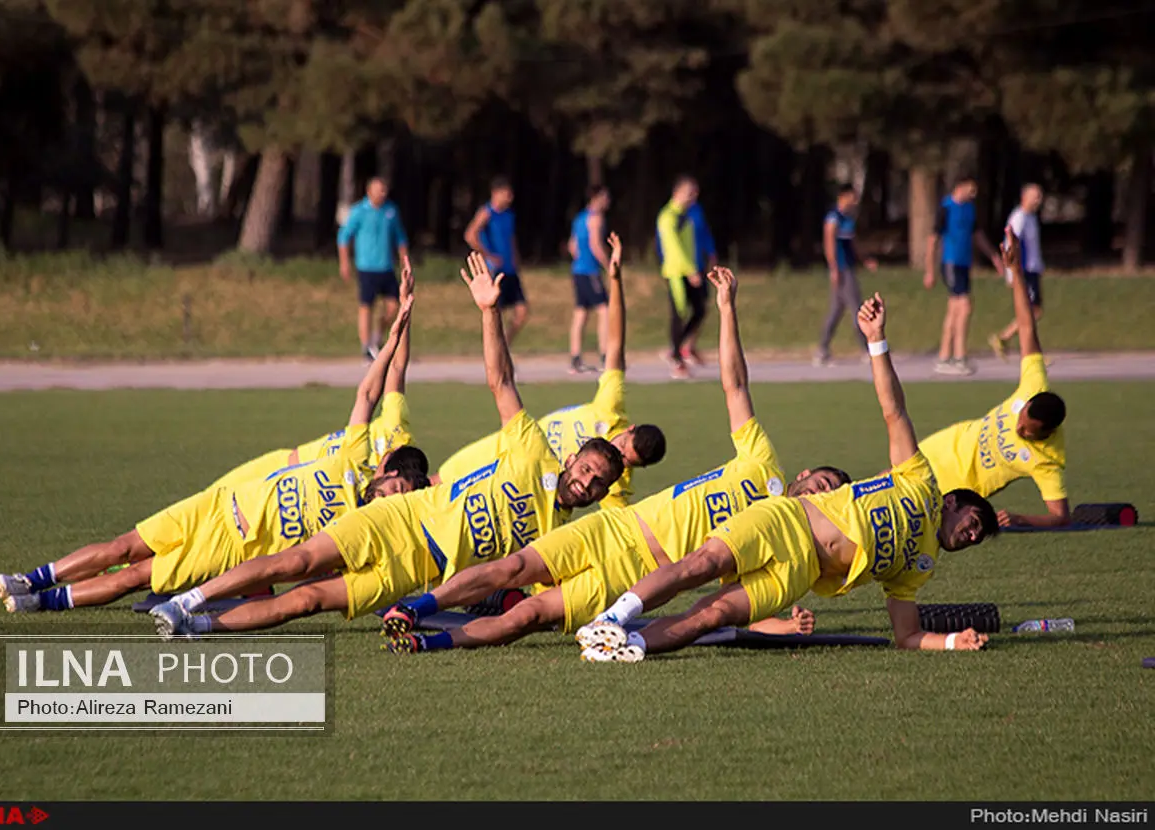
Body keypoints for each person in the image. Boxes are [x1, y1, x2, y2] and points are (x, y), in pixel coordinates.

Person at [147, 252, 626, 638]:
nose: (586, 482)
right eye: (585, 469)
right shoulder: (533, 449)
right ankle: (187, 601)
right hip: (400, 518)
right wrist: (489, 312)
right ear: (570, 459)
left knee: (308, 601)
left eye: (597, 483)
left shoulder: (556, 534)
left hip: (416, 569)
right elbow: (501, 380)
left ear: (603, 494)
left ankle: (198, 627)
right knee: (301, 562)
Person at [379, 266, 850, 655]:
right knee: (515, 568)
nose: (819, 495)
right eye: (822, 482)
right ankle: (416, 608)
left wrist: (783, 628)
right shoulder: (763, 464)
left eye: (830, 497)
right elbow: (735, 386)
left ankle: (427, 643)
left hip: (632, 576)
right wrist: (726, 309)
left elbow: (720, 608)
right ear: (805, 474)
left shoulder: (782, 540)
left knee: (528, 616)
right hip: (612, 531)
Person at [577, 291, 1001, 662]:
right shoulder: (920, 482)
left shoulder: (920, 566)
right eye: (974, 524)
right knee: (701, 564)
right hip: (787, 521)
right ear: (952, 502)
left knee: (714, 614)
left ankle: (623, 647)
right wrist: (876, 343)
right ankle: (613, 618)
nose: (971, 536)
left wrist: (950, 642)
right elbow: (894, 411)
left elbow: (907, 636)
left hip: (801, 572)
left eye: (977, 539)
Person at [0, 298, 429, 614]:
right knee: (123, 546)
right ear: (387, 470)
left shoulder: (357, 526)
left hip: (230, 546)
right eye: (396, 488)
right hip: (219, 505)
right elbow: (370, 391)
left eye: (401, 496)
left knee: (134, 575)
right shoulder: (354, 457)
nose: (392, 498)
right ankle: (34, 578)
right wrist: (391, 339)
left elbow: (313, 570)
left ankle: (42, 602)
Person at [432, 232, 664, 511]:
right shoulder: (609, 409)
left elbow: (624, 530)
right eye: (625, 444)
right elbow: (615, 344)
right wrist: (614, 280)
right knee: (434, 486)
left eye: (628, 460)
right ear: (629, 429)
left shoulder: (613, 485)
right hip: (504, 446)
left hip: (520, 495)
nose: (620, 453)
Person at [209, 258, 419, 490]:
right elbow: (398, 367)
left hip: (303, 497)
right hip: (288, 463)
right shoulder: (398, 434)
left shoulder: (378, 494)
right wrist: (404, 307)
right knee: (212, 497)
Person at [919, 224, 1069, 528]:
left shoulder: (1048, 460)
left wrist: (1021, 518)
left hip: (955, 490)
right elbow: (1027, 326)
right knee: (880, 484)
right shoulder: (1033, 384)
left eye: (1027, 431)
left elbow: (1061, 516)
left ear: (1046, 434)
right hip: (944, 445)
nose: (1018, 429)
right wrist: (1016, 271)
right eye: (1021, 419)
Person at [923, 174, 1004, 376]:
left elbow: (977, 235)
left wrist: (994, 256)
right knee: (964, 306)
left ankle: (944, 356)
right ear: (961, 186)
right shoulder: (946, 207)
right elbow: (933, 240)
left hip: (964, 263)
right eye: (971, 189)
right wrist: (930, 270)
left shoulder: (969, 209)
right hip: (950, 262)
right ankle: (960, 356)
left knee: (954, 310)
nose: (974, 193)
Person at [337, 176, 409, 361]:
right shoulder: (359, 211)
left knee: (394, 306)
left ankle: (377, 337)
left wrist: (404, 261)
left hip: (386, 266)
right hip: (366, 266)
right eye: (379, 190)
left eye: (384, 190)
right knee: (366, 306)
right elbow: (344, 237)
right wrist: (345, 263)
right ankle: (365, 347)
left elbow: (400, 238)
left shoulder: (391, 211)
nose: (382, 194)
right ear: (369, 192)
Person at [815, 184, 878, 367]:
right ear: (843, 196)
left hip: (849, 267)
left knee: (836, 310)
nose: (855, 201)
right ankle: (866, 349)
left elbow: (853, 243)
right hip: (842, 270)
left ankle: (822, 349)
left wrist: (865, 260)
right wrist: (834, 268)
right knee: (856, 308)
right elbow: (829, 244)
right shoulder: (833, 218)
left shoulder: (848, 218)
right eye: (852, 197)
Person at [656, 192, 717, 367]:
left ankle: (680, 348)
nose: (692, 197)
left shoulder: (692, 213)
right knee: (679, 312)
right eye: (689, 193)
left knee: (699, 309)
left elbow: (703, 234)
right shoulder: (669, 216)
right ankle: (677, 355)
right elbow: (671, 246)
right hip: (677, 272)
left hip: (694, 268)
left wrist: (710, 255)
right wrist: (689, 270)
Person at [465, 176, 527, 345]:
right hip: (495, 270)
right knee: (495, 313)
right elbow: (470, 235)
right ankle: (495, 349)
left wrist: (516, 259)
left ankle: (504, 344)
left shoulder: (509, 215)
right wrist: (488, 255)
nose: (510, 198)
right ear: (496, 193)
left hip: (510, 269)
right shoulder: (487, 212)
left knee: (522, 312)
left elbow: (511, 238)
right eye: (506, 194)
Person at [989, 184, 1045, 359]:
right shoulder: (1019, 217)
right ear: (1024, 197)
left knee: (1034, 311)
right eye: (1034, 196)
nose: (1038, 200)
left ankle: (1006, 340)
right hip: (1024, 271)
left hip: (1032, 270)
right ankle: (1023, 348)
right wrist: (1011, 273)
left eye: (1040, 196)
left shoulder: (1031, 218)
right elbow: (1010, 245)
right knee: (1031, 311)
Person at [567, 185, 611, 373]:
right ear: (597, 198)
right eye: (605, 197)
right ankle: (605, 356)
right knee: (605, 310)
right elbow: (595, 244)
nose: (608, 200)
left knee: (581, 313)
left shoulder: (580, 217)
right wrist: (609, 265)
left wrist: (580, 260)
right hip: (590, 271)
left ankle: (575, 358)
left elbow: (572, 246)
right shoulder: (596, 218)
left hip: (577, 270)